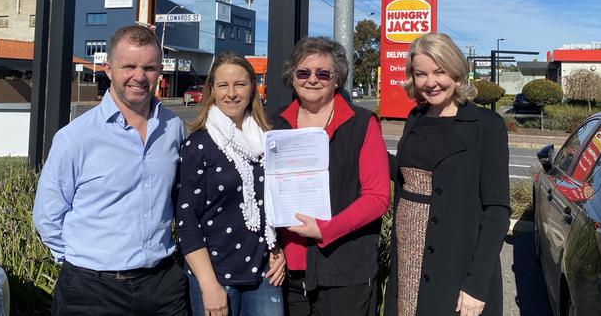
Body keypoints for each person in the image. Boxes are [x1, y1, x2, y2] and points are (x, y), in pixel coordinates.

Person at [33, 25, 188, 316]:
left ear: (159, 71)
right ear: (108, 69)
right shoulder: (75, 137)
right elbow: (47, 217)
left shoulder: (173, 129)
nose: (139, 77)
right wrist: (84, 263)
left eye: (149, 67)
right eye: (128, 66)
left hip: (161, 286)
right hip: (91, 290)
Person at [384, 33, 510, 316]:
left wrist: (476, 285)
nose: (431, 82)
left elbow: (497, 210)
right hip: (408, 256)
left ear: (456, 72)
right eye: (421, 74)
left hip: (455, 260)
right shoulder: (416, 118)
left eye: (439, 71)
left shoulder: (486, 125)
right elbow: (409, 175)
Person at [271, 36, 390, 315]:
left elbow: (378, 197)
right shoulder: (275, 123)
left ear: (337, 79)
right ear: (293, 76)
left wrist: (326, 229)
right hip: (289, 270)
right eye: (304, 72)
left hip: (345, 270)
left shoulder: (361, 124)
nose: (312, 79)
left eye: (323, 73)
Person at [176, 52, 285, 316]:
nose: (232, 93)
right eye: (223, 85)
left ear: (252, 88)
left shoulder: (267, 139)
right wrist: (208, 285)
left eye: (240, 84)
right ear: (212, 90)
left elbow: (273, 202)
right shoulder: (198, 145)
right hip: (214, 275)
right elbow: (186, 219)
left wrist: (276, 246)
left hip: (264, 273)